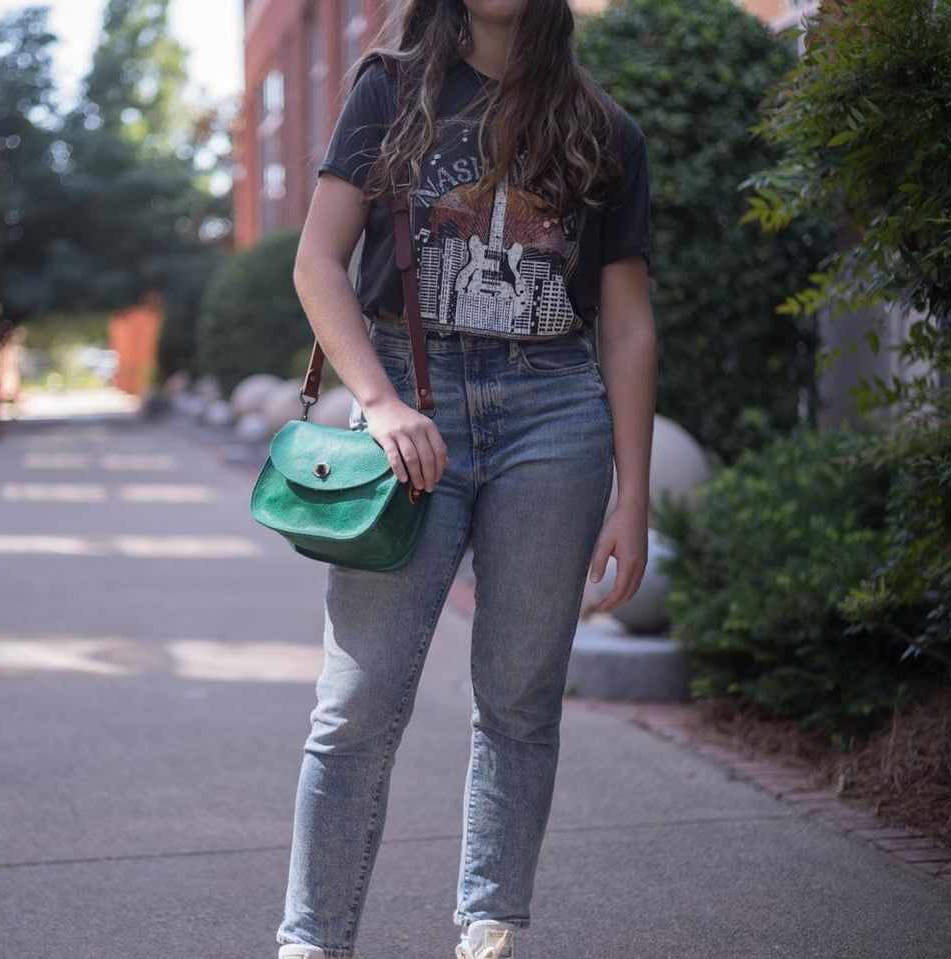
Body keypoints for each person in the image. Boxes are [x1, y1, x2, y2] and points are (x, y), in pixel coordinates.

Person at [277, 0, 656, 956]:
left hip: (553, 414)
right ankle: (311, 941)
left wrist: (634, 498)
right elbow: (318, 262)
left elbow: (625, 324)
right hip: (413, 401)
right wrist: (380, 402)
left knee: (522, 694)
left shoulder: (601, 128)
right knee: (356, 700)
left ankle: (489, 928)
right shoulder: (389, 87)